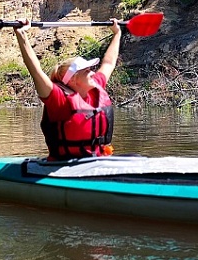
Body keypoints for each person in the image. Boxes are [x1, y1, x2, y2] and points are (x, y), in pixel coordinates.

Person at [13, 17, 122, 161]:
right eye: (86, 71)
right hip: (64, 165)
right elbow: (36, 71)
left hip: (98, 161)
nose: (93, 73)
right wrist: (21, 34)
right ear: (72, 80)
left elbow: (108, 63)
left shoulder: (94, 86)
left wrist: (117, 34)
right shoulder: (59, 99)